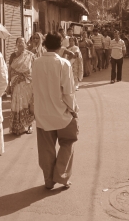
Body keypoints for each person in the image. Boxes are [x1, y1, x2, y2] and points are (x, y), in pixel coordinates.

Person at [32, 32, 79, 190]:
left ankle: (48, 180)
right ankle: (61, 175)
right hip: (62, 113)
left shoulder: (36, 63)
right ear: (61, 46)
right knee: (68, 142)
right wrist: (74, 110)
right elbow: (68, 92)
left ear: (44, 44)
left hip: (42, 113)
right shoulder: (63, 64)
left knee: (46, 149)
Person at [8, 38, 35, 136]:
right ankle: (18, 127)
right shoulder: (13, 55)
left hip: (27, 83)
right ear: (16, 44)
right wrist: (8, 84)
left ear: (25, 44)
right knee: (17, 104)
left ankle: (29, 126)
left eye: (22, 42)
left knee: (27, 104)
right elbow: (9, 70)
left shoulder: (30, 55)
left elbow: (34, 69)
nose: (20, 44)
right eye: (18, 42)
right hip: (15, 83)